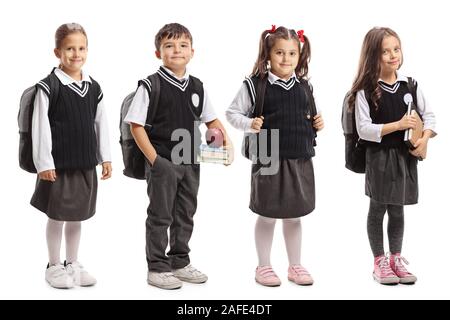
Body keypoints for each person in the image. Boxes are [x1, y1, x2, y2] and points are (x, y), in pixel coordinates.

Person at [124, 23, 233, 290]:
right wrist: (155, 161)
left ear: (192, 51)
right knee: (161, 215)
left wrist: (227, 144)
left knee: (185, 213)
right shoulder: (150, 85)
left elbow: (211, 120)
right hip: (162, 161)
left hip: (191, 161)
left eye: (183, 45)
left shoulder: (197, 86)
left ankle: (180, 262)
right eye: (169, 46)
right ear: (157, 52)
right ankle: (157, 267)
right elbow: (135, 125)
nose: (177, 50)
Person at [226, 25, 324, 286]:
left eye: (292, 53)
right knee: (267, 213)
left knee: (294, 215)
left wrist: (317, 122)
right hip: (268, 157)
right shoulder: (255, 85)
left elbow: (305, 114)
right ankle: (264, 266)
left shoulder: (305, 86)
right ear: (268, 54)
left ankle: (295, 265)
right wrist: (249, 124)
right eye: (279, 52)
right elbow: (232, 113)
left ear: (299, 55)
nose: (285, 59)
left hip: (299, 157)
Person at [350, 27, 436, 285]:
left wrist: (425, 139)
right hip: (379, 158)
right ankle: (379, 262)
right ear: (372, 56)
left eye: (395, 49)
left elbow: (429, 116)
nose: (392, 55)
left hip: (404, 156)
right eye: (384, 51)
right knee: (378, 208)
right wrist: (397, 126)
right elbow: (363, 129)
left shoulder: (410, 84)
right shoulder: (365, 91)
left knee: (397, 209)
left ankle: (396, 258)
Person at [31, 23, 112, 289]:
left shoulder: (94, 87)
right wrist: (44, 163)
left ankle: (72, 263)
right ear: (57, 51)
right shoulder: (49, 87)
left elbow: (101, 124)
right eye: (69, 48)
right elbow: (40, 128)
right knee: (56, 215)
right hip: (57, 166)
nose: (76, 54)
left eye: (81, 48)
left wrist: (106, 158)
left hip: (84, 163)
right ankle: (53, 265)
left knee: (77, 216)